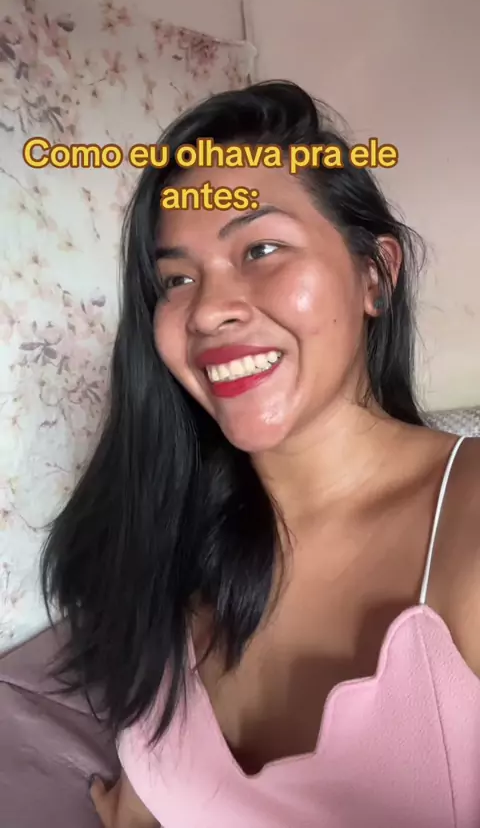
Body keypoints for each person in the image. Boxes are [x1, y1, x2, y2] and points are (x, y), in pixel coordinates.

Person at [41, 80, 480, 828]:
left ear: (375, 274)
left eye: (262, 248)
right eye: (177, 279)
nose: (209, 310)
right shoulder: (169, 539)